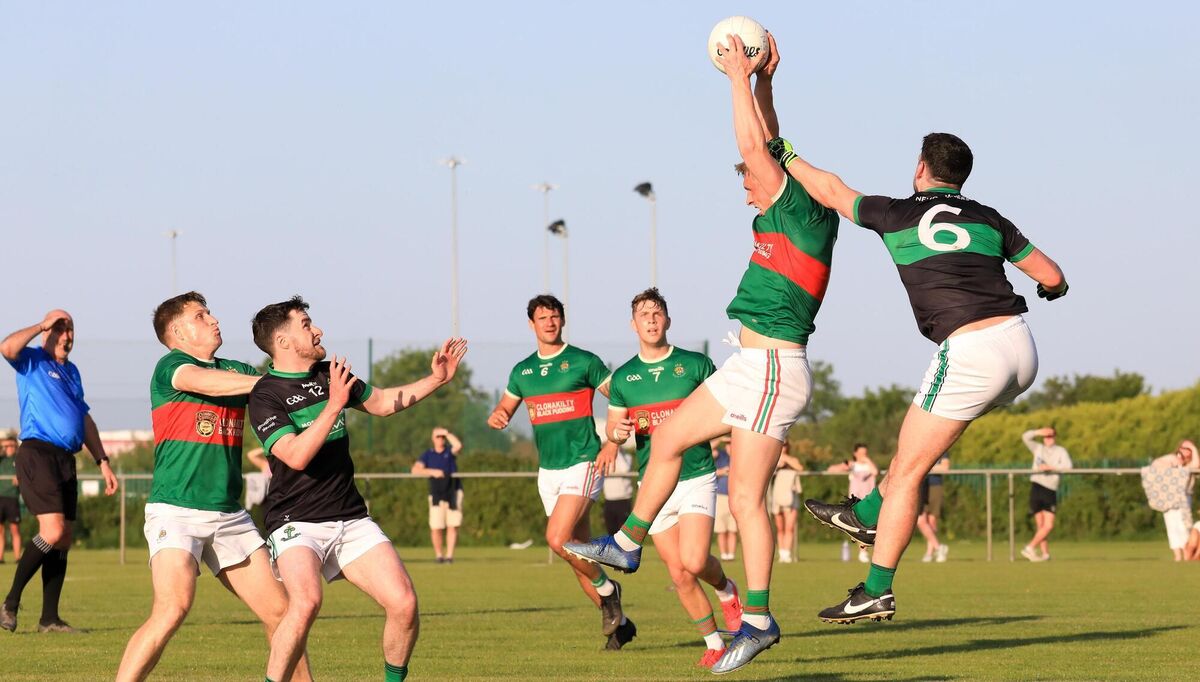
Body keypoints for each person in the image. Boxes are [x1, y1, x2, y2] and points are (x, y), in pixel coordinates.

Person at [564, 32, 840, 673]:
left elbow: (755, 148)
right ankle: (630, 543)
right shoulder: (797, 202)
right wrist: (765, 85)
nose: (746, 185)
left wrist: (736, 77)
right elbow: (771, 147)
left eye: (749, 180)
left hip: (773, 369)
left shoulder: (797, 213)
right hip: (751, 367)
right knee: (665, 442)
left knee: (745, 501)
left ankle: (761, 619)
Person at [772, 28, 1069, 619]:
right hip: (1021, 348)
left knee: (907, 470)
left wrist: (783, 153)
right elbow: (1055, 275)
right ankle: (863, 515)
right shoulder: (989, 218)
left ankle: (877, 583)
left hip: (971, 350)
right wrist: (1048, 289)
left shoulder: (898, 212)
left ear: (922, 169)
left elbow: (831, 190)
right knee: (914, 462)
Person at [249, 296, 466, 682]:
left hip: (349, 517)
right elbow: (295, 456)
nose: (318, 330)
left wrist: (437, 379)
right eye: (306, 324)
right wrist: (333, 406)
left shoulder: (328, 372)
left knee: (404, 603)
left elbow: (382, 403)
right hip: (295, 520)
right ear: (282, 342)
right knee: (306, 603)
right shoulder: (266, 395)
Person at [117, 292, 312, 681]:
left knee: (284, 614)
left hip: (228, 515)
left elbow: (272, 387)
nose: (214, 319)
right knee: (173, 608)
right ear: (178, 331)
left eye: (209, 313)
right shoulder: (171, 366)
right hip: (177, 511)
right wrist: (268, 383)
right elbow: (205, 381)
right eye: (201, 315)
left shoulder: (235, 369)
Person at [592, 288, 744, 669]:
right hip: (654, 486)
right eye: (643, 314)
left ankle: (727, 590)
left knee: (694, 561)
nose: (651, 318)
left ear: (668, 320)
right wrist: (616, 434)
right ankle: (714, 644)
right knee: (678, 574)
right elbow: (614, 427)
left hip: (696, 475)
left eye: (657, 312)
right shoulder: (624, 377)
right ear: (633, 324)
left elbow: (730, 408)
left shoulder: (694, 365)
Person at [486, 295, 633, 650]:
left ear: (563, 321)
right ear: (531, 324)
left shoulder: (583, 361)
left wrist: (612, 441)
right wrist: (499, 415)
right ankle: (621, 625)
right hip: (547, 471)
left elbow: (621, 395)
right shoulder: (523, 371)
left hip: (582, 462)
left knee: (556, 540)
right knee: (577, 552)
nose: (549, 322)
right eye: (542, 318)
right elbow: (505, 406)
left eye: (555, 316)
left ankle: (609, 590)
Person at [0, 310, 118, 633]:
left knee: (63, 537)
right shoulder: (31, 360)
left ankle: (49, 619)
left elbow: (85, 419)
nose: (67, 335)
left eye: (70, 330)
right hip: (37, 452)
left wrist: (103, 461)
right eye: (59, 328)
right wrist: (41, 324)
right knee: (51, 531)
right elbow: (6, 347)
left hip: (66, 459)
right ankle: (9, 602)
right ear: (47, 334)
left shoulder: (73, 372)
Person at [411, 427, 464, 564]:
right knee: (436, 526)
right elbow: (415, 470)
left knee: (453, 525)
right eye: (438, 436)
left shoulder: (449, 452)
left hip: (453, 491)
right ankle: (439, 555)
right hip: (436, 493)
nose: (440, 439)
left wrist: (447, 433)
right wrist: (432, 471)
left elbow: (458, 445)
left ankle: (449, 556)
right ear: (432, 438)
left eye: (442, 437)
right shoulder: (428, 455)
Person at [1021, 427, 1073, 562]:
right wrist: (1038, 432)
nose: (1048, 439)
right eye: (1046, 436)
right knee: (1041, 525)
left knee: (1048, 525)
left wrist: (1051, 468)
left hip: (1050, 488)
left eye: (1051, 436)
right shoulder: (1038, 448)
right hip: (1037, 486)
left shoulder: (1060, 451)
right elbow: (1025, 437)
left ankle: (1030, 547)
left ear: (1055, 437)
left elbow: (1068, 466)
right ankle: (1045, 554)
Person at [824, 444, 878, 563]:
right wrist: (843, 466)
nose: (863, 455)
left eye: (865, 453)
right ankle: (863, 552)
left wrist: (867, 460)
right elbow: (831, 469)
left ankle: (871, 552)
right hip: (856, 499)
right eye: (861, 453)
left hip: (869, 498)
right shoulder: (853, 465)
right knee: (859, 526)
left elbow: (875, 471)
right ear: (855, 453)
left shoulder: (869, 465)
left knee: (872, 525)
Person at [1148, 440, 1198, 561]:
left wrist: (1193, 448)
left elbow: (1197, 465)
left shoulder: (1190, 465)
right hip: (1169, 496)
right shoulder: (1170, 459)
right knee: (1172, 526)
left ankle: (1187, 553)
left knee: (1184, 525)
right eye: (1183, 448)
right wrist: (1174, 463)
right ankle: (1177, 555)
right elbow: (1156, 465)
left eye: (1188, 449)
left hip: (1183, 497)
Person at [769, 441, 803, 564]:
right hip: (777, 497)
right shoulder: (772, 458)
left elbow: (800, 467)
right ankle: (781, 553)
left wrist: (785, 458)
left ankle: (787, 553)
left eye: (785, 445)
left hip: (791, 497)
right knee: (780, 527)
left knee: (789, 527)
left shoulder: (791, 459)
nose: (783, 447)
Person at [917, 454, 951, 562]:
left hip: (935, 485)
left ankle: (930, 552)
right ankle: (939, 548)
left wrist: (928, 467)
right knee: (921, 521)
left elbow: (945, 468)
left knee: (932, 520)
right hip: (922, 485)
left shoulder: (942, 451)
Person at [711, 438, 738, 561]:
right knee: (721, 529)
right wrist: (721, 438)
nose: (730, 446)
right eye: (728, 444)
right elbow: (709, 449)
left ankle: (731, 555)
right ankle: (723, 554)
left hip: (735, 496)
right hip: (721, 496)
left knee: (733, 529)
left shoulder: (740, 456)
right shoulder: (720, 456)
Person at [601, 444, 635, 537]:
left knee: (624, 532)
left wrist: (616, 451)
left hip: (623, 500)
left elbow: (625, 469)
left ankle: (625, 550)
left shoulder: (627, 457)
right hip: (609, 500)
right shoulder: (605, 460)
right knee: (611, 530)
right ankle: (613, 551)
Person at [0, 432, 20, 564]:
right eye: (7, 445)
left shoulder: (18, 459)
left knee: (14, 529)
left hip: (12, 498)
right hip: (0, 498)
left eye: (12, 445)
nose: (9, 448)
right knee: (0, 529)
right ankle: (0, 557)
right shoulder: (1, 459)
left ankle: (18, 557)